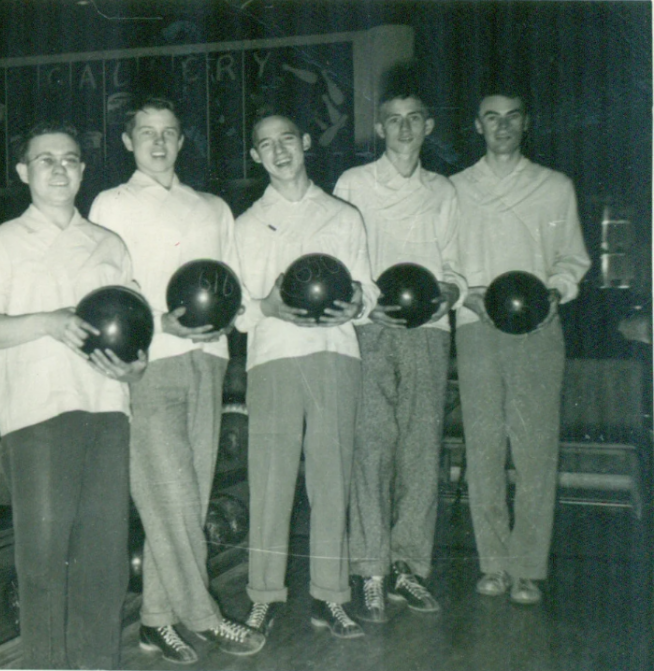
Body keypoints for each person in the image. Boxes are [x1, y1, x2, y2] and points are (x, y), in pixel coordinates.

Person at [0, 122, 146, 669]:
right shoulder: (3, 242)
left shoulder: (110, 245)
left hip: (108, 412)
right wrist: (48, 321)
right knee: (43, 562)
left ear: (84, 171)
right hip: (38, 415)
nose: (60, 168)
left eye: (70, 159)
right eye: (46, 160)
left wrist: (135, 367)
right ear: (24, 173)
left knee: (105, 564)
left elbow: (134, 332)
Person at [89, 96, 265, 663]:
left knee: (185, 500)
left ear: (182, 140)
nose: (158, 143)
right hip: (149, 362)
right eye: (146, 132)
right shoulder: (109, 204)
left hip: (209, 361)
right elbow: (103, 288)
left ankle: (156, 621)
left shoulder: (213, 208)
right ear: (126, 141)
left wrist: (235, 319)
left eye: (169, 132)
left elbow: (232, 284)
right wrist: (148, 326)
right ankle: (204, 616)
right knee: (171, 496)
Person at [233, 112, 377, 641]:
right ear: (255, 156)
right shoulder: (245, 224)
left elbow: (366, 288)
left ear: (307, 141)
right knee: (270, 482)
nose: (278, 151)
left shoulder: (343, 215)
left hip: (335, 354)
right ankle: (263, 596)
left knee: (331, 480)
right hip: (272, 358)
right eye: (265, 144)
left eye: (287, 139)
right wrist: (266, 306)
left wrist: (357, 303)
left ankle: (331, 597)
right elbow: (239, 309)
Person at [332, 84, 467, 623]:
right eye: (394, 119)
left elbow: (455, 266)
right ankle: (370, 570)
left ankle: (408, 566)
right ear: (380, 127)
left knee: (419, 448)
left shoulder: (444, 191)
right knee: (371, 448)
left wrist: (447, 293)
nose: (405, 128)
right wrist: (367, 304)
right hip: (370, 326)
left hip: (430, 330)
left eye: (415, 118)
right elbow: (343, 260)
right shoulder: (353, 183)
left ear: (428, 126)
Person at [451, 87, 590, 606]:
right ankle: (493, 564)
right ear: (477, 126)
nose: (502, 126)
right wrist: (470, 298)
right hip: (477, 327)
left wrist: (555, 290)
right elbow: (448, 267)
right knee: (483, 448)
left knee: (534, 450)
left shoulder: (555, 186)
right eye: (492, 118)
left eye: (512, 117)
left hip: (537, 329)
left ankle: (528, 568)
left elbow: (573, 260)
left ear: (525, 124)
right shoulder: (457, 188)